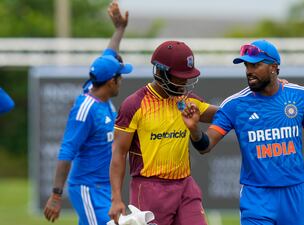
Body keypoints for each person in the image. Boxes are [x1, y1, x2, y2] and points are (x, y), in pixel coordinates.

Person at [181, 39, 304, 225]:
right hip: (256, 197)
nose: (249, 71)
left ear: (274, 67)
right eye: (247, 65)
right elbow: (205, 145)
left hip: (294, 193)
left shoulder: (299, 96)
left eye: (256, 65)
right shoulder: (235, 105)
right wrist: (194, 129)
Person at [108, 40, 219, 225]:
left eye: (187, 75)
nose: (184, 81)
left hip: (185, 187)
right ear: (160, 72)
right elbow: (119, 153)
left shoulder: (188, 100)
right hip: (149, 189)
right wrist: (116, 198)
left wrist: (264, 94)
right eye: (179, 76)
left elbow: (225, 114)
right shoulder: (134, 104)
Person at [43, 1, 132, 224]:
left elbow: (108, 55)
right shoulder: (86, 110)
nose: (121, 81)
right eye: (120, 77)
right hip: (88, 189)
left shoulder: (96, 88)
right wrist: (56, 195)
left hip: (104, 189)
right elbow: (67, 150)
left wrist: (119, 30)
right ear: (111, 81)